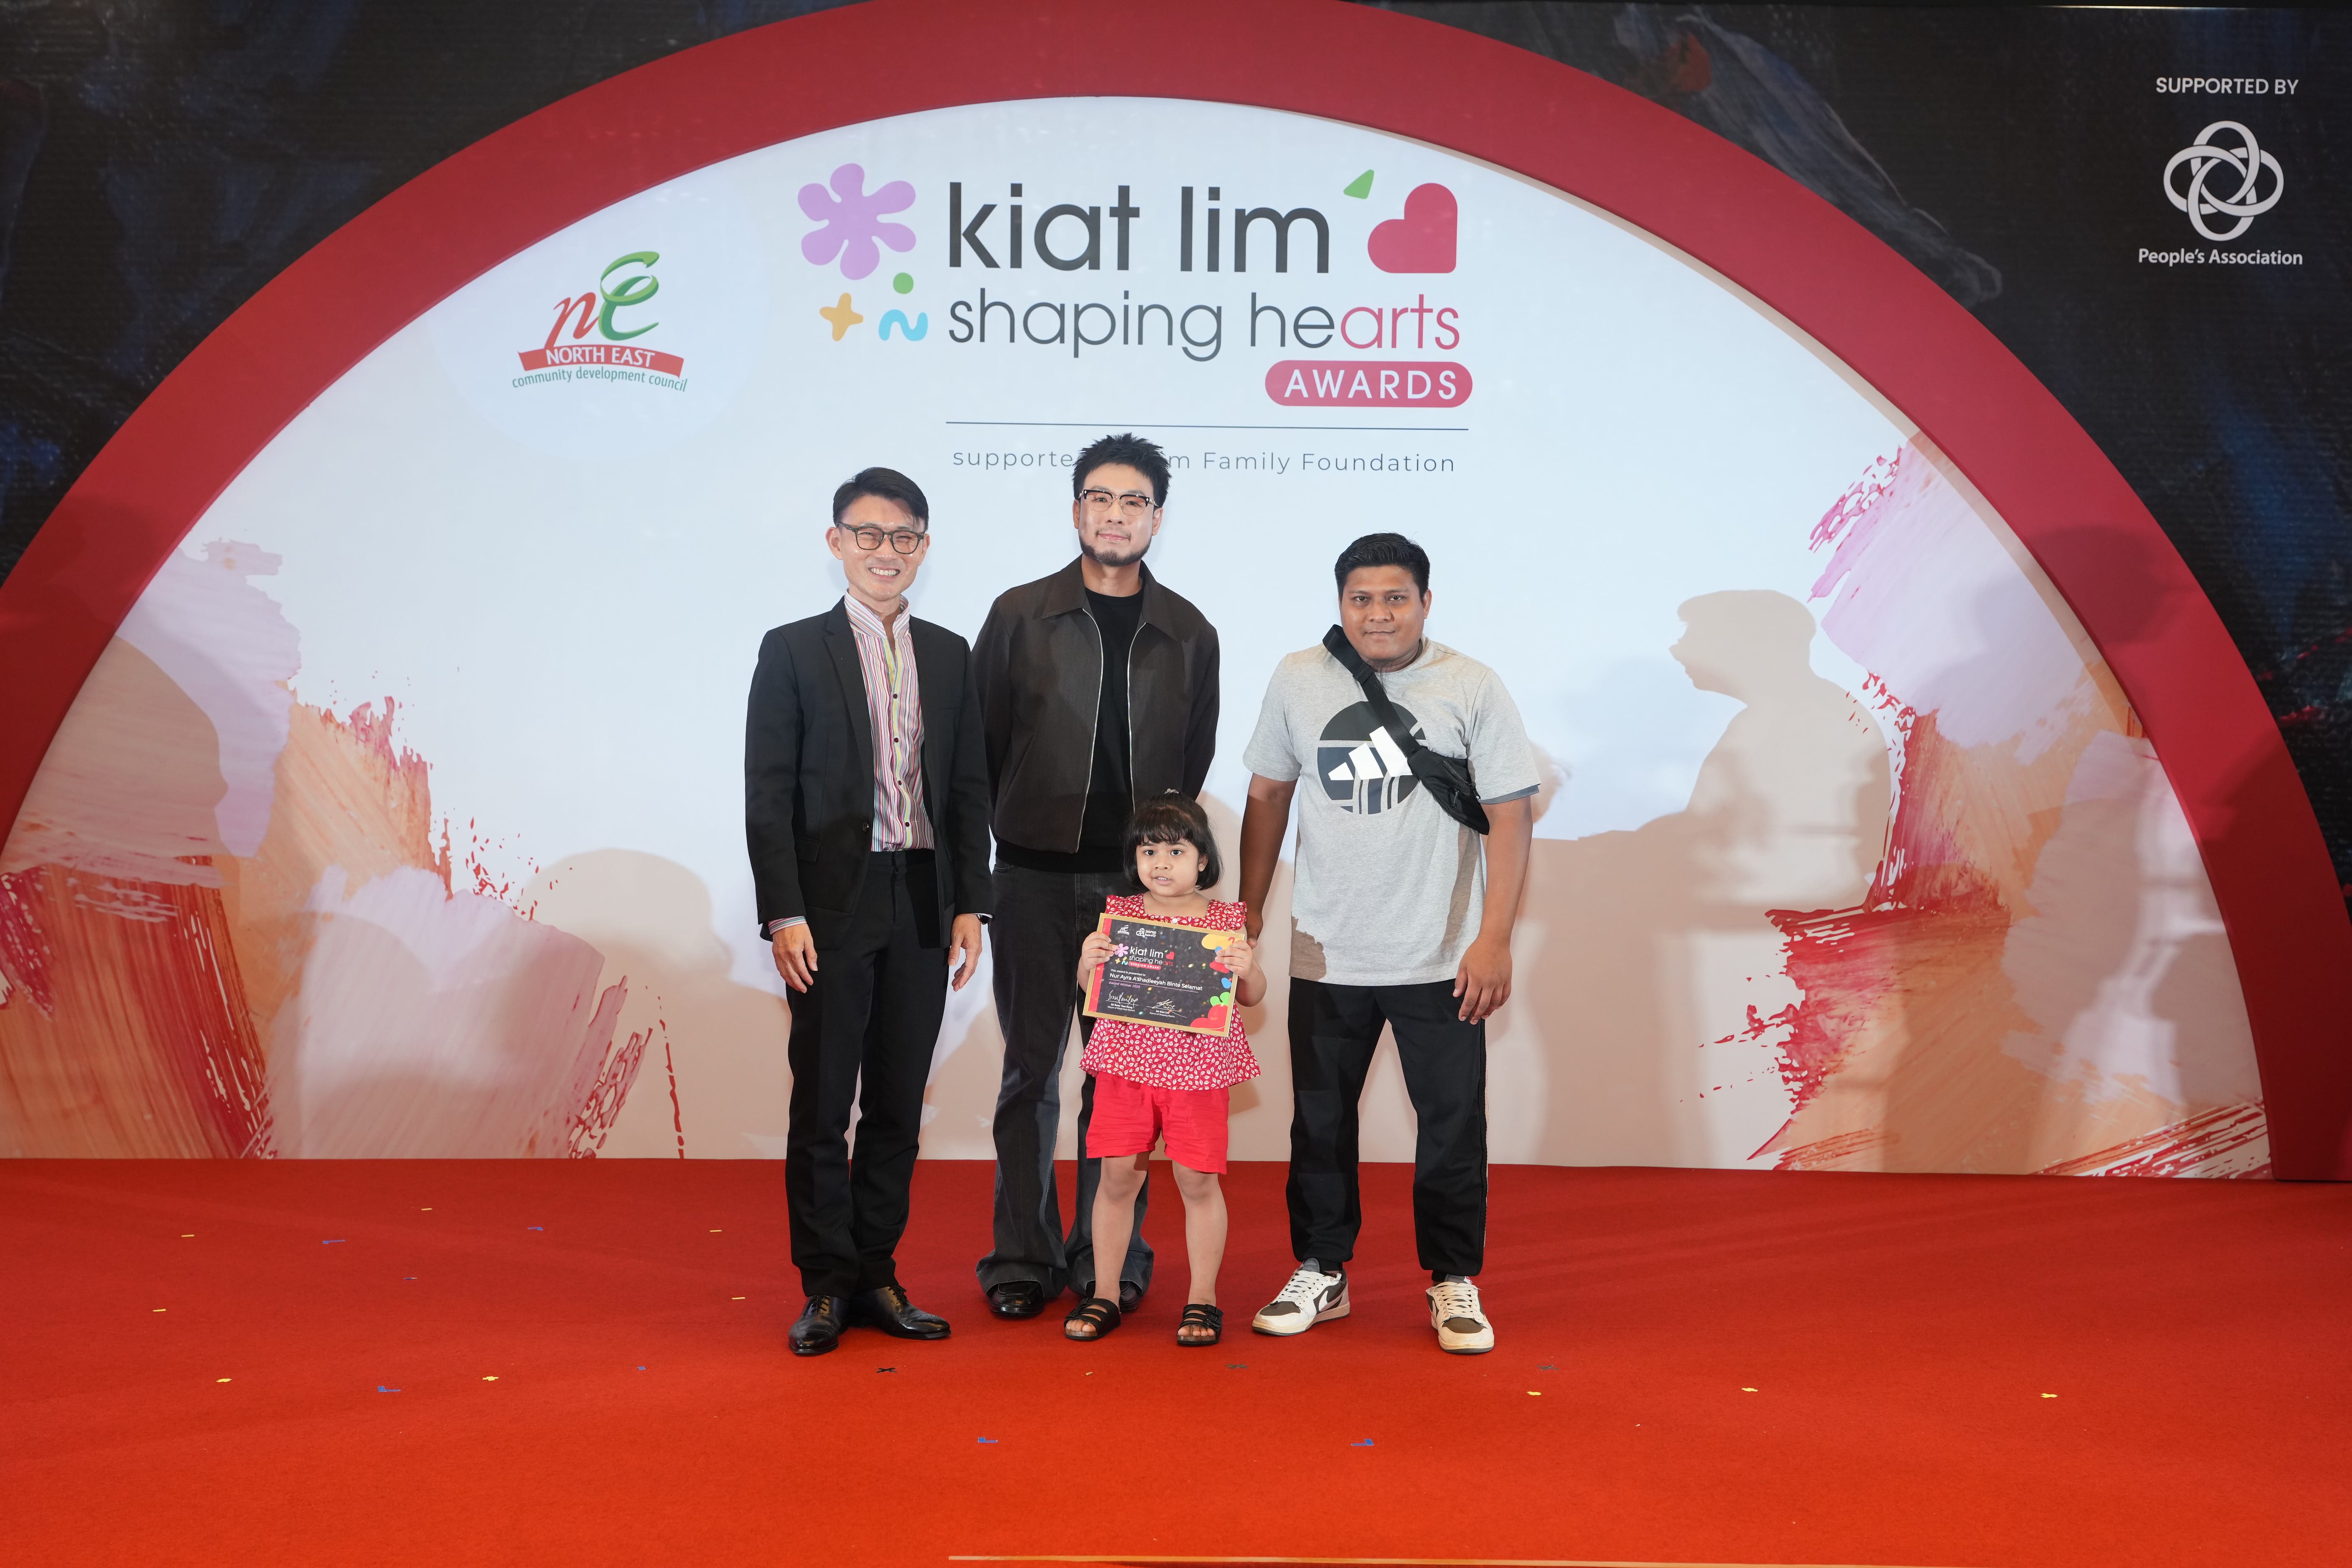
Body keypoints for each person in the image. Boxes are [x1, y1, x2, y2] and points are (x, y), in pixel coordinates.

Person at [1235, 533, 1537, 1355]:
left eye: (1395, 597)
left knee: (1451, 1128)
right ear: (1341, 604)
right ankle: (1322, 1269)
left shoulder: (1471, 685)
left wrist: (1496, 938)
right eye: (1361, 598)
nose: (1378, 613)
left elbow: (1510, 814)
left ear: (1426, 602)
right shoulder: (1300, 677)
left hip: (1441, 960)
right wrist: (1248, 916)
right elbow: (1268, 795)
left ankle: (1452, 1282)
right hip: (1327, 951)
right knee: (1320, 1125)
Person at [972, 434, 1221, 1322]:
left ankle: (1107, 1259)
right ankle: (1021, 1257)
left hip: (1139, 901)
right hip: (1034, 882)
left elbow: (1187, 770)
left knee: (1128, 1083)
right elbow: (982, 751)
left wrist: (1160, 885)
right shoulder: (1017, 615)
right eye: (1100, 499)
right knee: (1030, 1075)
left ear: (1158, 515)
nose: (1116, 516)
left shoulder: (1190, 632)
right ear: (1076, 509)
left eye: (1134, 502)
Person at [745, 467, 993, 1358]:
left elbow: (967, 789)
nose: (887, 552)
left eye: (905, 538)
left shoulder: (955, 654)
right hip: (831, 905)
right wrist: (784, 913)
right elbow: (769, 793)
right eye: (869, 534)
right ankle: (825, 1285)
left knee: (896, 1100)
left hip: (924, 898)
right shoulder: (792, 650)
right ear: (837, 542)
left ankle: (877, 1272)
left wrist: (974, 906)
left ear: (924, 548)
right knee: (822, 1103)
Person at [1065, 795, 1263, 1345]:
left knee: (1198, 1181)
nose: (1160, 862)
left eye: (1176, 850)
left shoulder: (1227, 921)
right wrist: (1089, 962)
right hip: (1126, 1067)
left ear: (1202, 860)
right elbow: (1094, 992)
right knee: (1116, 1178)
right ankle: (1104, 1292)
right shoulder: (1122, 918)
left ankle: (1203, 1299)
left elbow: (1252, 994)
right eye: (1149, 849)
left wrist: (1247, 970)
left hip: (1198, 1072)